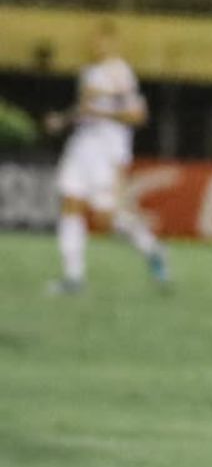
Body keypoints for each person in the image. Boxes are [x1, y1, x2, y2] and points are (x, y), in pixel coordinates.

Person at [46, 21, 169, 295]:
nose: (95, 45)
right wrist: (63, 121)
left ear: (113, 43)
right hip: (81, 146)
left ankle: (152, 248)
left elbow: (137, 116)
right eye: (93, 40)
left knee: (106, 219)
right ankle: (73, 276)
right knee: (70, 203)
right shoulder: (90, 72)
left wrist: (101, 114)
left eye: (101, 40)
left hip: (106, 151)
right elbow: (86, 109)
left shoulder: (120, 74)